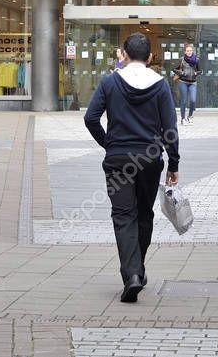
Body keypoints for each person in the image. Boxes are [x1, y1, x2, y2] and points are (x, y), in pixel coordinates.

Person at [84, 33, 180, 303]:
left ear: (124, 55)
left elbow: (90, 118)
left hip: (118, 161)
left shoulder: (109, 82)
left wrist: (109, 144)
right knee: (144, 215)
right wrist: (173, 162)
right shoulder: (161, 86)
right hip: (150, 160)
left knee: (123, 216)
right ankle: (137, 269)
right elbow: (170, 129)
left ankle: (132, 274)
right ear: (150, 58)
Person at [172, 44, 201, 125]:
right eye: (187, 51)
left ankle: (190, 117)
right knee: (184, 101)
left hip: (193, 82)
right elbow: (174, 68)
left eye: (190, 51)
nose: (189, 52)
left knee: (193, 100)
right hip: (183, 82)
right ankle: (183, 118)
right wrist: (181, 73)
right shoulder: (181, 59)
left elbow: (200, 70)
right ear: (185, 52)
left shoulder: (196, 60)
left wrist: (196, 73)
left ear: (192, 51)